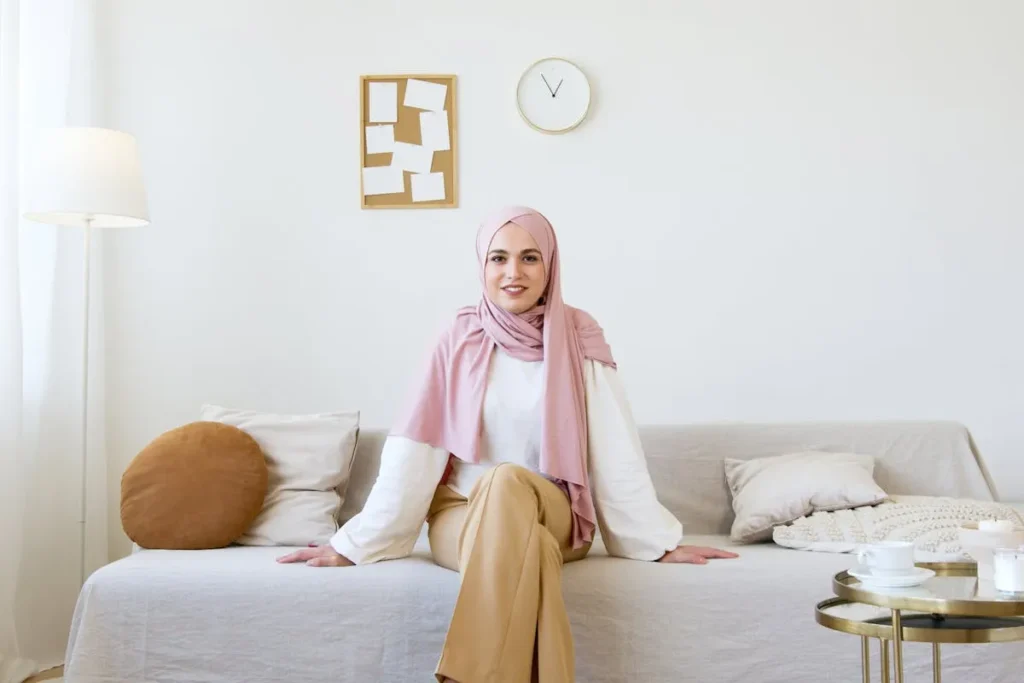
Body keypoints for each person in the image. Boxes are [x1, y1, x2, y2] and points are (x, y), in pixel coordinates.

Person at [277, 206, 738, 683]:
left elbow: (613, 446)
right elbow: (417, 445)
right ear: (482, 265)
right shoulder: (457, 335)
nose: (512, 273)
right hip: (461, 513)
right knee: (529, 548)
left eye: (529, 258)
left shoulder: (578, 334)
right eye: (498, 258)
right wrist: (356, 542)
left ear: (550, 266)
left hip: (554, 510)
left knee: (507, 480)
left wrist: (655, 542)